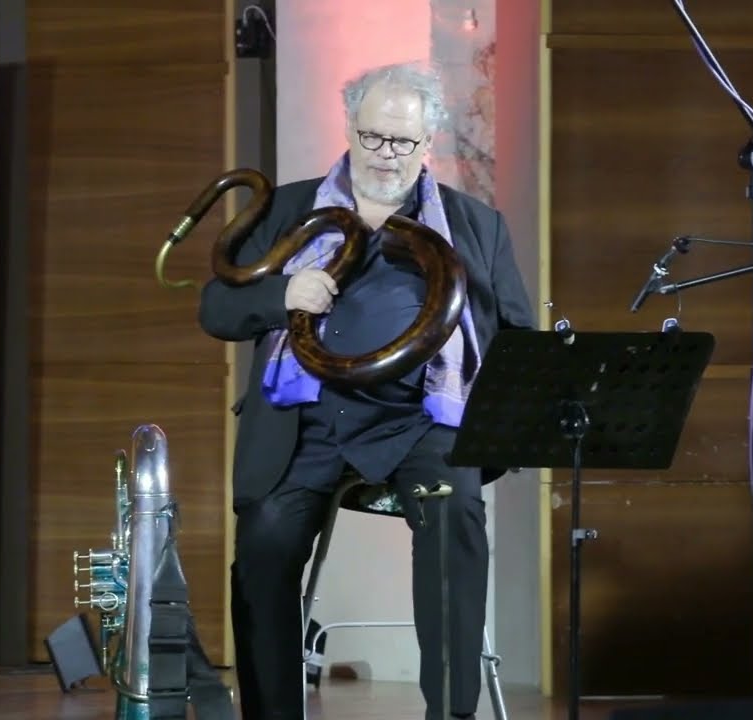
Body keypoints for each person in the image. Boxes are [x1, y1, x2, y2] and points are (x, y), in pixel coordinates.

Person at [197, 61, 535, 720]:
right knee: (263, 547)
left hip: (420, 421)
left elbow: (517, 337)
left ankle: (452, 714)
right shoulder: (289, 210)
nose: (386, 153)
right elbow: (216, 309)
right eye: (372, 136)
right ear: (349, 127)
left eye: (402, 141)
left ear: (426, 142)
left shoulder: (475, 225)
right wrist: (281, 294)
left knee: (456, 519)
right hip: (306, 420)